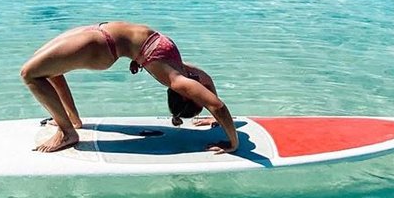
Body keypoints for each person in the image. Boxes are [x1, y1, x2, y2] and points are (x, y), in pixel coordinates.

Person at [20, 21, 239, 154]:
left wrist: (230, 140)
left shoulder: (179, 75)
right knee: (41, 66)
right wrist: (227, 134)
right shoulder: (182, 75)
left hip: (103, 45)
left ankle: (67, 131)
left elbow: (215, 103)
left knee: (30, 74)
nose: (202, 92)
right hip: (99, 32)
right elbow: (215, 102)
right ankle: (73, 121)